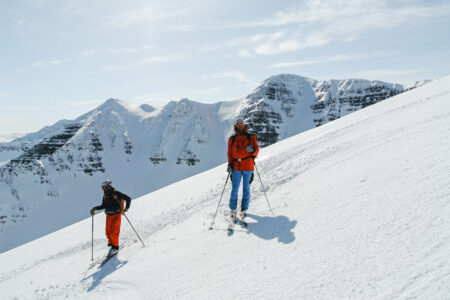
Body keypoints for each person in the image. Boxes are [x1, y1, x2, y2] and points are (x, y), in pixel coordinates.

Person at [227, 118, 259, 223]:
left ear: (244, 124)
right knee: (234, 189)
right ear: (235, 125)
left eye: (241, 123)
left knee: (246, 188)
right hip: (236, 166)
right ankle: (233, 211)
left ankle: (244, 210)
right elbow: (229, 153)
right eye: (238, 124)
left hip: (248, 165)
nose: (240, 125)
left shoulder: (251, 137)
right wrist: (230, 164)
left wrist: (253, 151)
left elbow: (256, 151)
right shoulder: (232, 138)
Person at [90, 180, 131, 257]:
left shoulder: (116, 193)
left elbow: (128, 199)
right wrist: (95, 208)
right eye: (102, 188)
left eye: (104, 187)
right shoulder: (105, 195)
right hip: (108, 216)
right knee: (108, 232)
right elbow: (103, 205)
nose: (103, 189)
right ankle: (112, 245)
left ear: (108, 186)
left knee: (114, 232)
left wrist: (125, 209)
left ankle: (115, 248)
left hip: (116, 215)